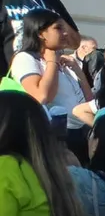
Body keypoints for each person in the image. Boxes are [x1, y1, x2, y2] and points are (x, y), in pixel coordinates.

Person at [10, 9, 91, 161]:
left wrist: (79, 73)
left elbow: (88, 100)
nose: (65, 33)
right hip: (57, 138)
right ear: (40, 33)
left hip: (82, 133)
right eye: (58, 28)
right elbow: (41, 96)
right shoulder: (25, 59)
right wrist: (51, 62)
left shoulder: (63, 61)